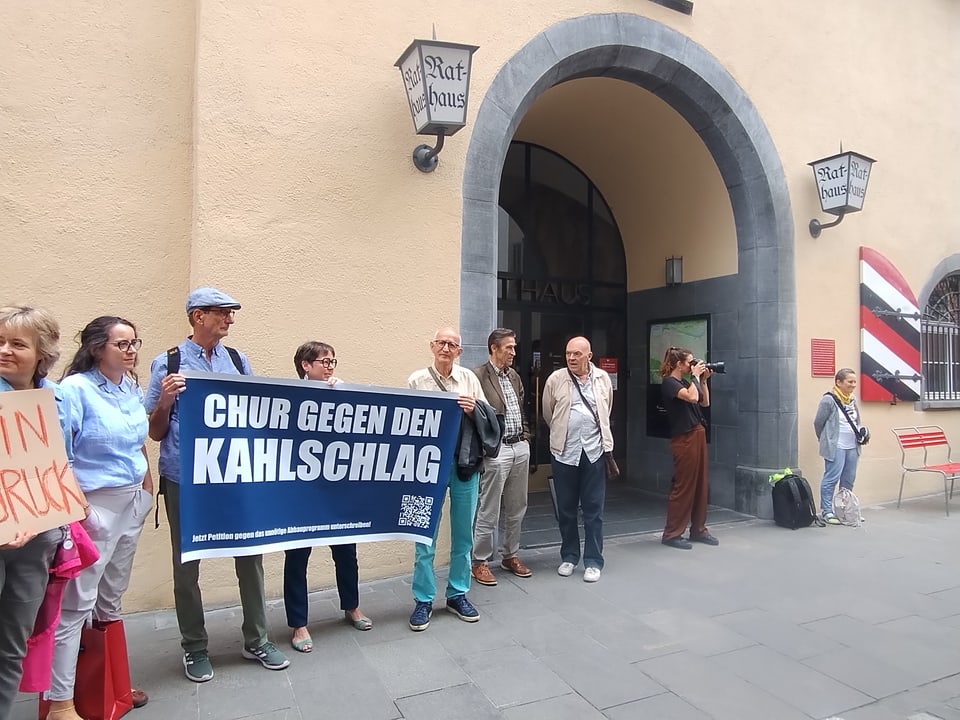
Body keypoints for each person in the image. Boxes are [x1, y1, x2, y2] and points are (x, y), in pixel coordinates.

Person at [144, 288, 289, 683]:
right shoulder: (168, 362)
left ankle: (256, 638)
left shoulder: (238, 361)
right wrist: (166, 402)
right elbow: (155, 432)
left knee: (250, 556)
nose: (230, 320)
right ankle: (194, 646)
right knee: (186, 563)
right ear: (197, 316)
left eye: (230, 313)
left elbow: (257, 415)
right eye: (222, 313)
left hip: (235, 476)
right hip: (185, 479)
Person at [45, 317, 153, 719]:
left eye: (133, 343)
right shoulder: (74, 390)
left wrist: (146, 487)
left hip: (130, 503)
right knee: (76, 605)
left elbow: (137, 442)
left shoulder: (130, 387)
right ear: (96, 348)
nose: (130, 350)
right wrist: (82, 511)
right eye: (121, 344)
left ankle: (112, 682)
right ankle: (62, 702)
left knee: (111, 599)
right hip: (94, 505)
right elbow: (59, 455)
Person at [0, 306, 79, 720]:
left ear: (42, 352)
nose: (5, 351)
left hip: (38, 536)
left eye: (17, 343)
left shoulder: (59, 398)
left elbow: (58, 463)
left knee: (13, 645)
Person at [283, 341, 372, 654]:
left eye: (333, 360)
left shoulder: (340, 391)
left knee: (346, 551)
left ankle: (352, 607)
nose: (330, 366)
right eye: (324, 361)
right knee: (297, 557)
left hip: (336, 489)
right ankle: (298, 623)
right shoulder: (290, 397)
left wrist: (344, 395)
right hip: (302, 492)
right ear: (306, 366)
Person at [406, 327, 489, 631]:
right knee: (423, 534)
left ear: (460, 351)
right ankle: (423, 599)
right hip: (425, 469)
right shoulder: (417, 380)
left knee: (463, 534)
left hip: (464, 464)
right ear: (432, 346)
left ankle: (458, 594)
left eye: (452, 344)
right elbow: (407, 421)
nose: (446, 348)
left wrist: (474, 409)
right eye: (441, 342)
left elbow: (488, 417)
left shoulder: (469, 378)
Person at [541, 336, 613, 582]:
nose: (571, 358)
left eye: (577, 354)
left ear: (589, 356)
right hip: (564, 452)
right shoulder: (556, 379)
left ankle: (593, 560)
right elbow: (548, 413)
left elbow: (606, 409)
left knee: (594, 508)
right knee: (566, 509)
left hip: (593, 451)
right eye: (568, 353)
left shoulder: (602, 378)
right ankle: (569, 556)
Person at [470, 328, 532, 586]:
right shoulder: (478, 376)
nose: (513, 352)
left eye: (514, 348)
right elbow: (472, 413)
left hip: (519, 446)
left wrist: (526, 437)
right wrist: (487, 448)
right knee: (489, 508)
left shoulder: (514, 376)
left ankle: (511, 555)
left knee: (517, 507)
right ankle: (480, 561)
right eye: (509, 348)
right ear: (494, 349)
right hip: (496, 451)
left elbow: (521, 406)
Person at [659, 347, 717, 550]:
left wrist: (703, 381)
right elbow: (691, 398)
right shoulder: (669, 383)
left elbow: (704, 402)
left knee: (701, 484)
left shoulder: (686, 382)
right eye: (690, 362)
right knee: (684, 485)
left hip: (697, 433)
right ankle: (672, 533)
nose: (693, 365)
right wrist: (694, 377)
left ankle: (698, 529)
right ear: (679, 364)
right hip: (684, 438)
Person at [814, 368, 864, 525]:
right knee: (831, 478)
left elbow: (856, 421)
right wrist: (826, 440)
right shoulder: (828, 400)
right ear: (838, 382)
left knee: (848, 480)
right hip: (836, 445)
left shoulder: (852, 399)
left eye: (854, 382)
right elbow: (818, 423)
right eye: (850, 381)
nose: (853, 385)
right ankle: (827, 511)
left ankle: (845, 510)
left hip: (852, 446)